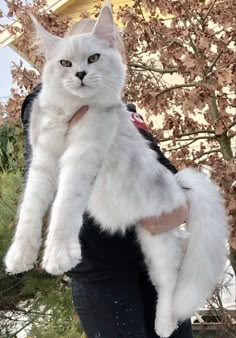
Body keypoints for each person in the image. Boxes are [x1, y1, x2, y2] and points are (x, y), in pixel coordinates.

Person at [21, 18, 192, 338]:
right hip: (102, 271)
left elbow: (165, 170)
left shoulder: (128, 112)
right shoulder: (48, 101)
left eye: (108, 46)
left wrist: (182, 205)